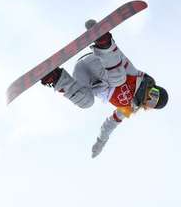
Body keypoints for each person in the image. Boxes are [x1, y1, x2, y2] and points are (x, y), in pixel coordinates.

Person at [40, 21, 168, 158]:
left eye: (151, 102)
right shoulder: (138, 77)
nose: (149, 98)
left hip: (84, 76)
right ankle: (103, 41)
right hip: (97, 62)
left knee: (87, 103)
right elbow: (120, 56)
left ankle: (55, 77)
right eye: (154, 94)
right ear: (153, 87)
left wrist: (100, 142)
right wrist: (104, 38)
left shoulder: (128, 107)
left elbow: (109, 125)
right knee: (119, 79)